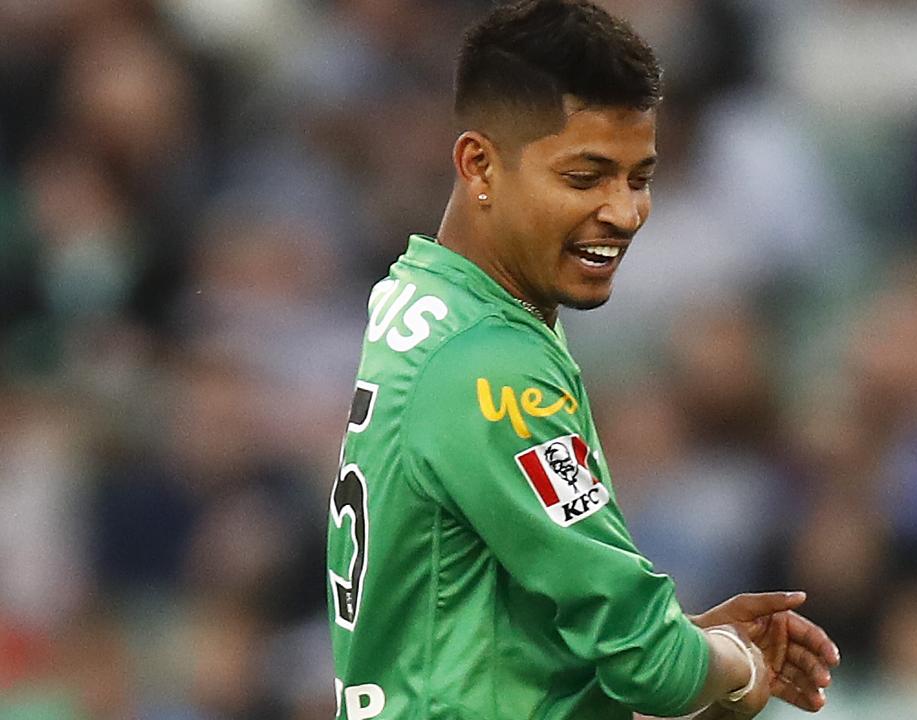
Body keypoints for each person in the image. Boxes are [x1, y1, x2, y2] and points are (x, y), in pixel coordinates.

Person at [325, 1, 839, 718]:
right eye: (585, 177)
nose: (625, 213)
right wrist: (735, 664)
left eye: (639, 177)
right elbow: (648, 665)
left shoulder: (423, 299)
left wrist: (680, 641)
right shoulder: (493, 365)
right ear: (479, 164)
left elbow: (498, 636)